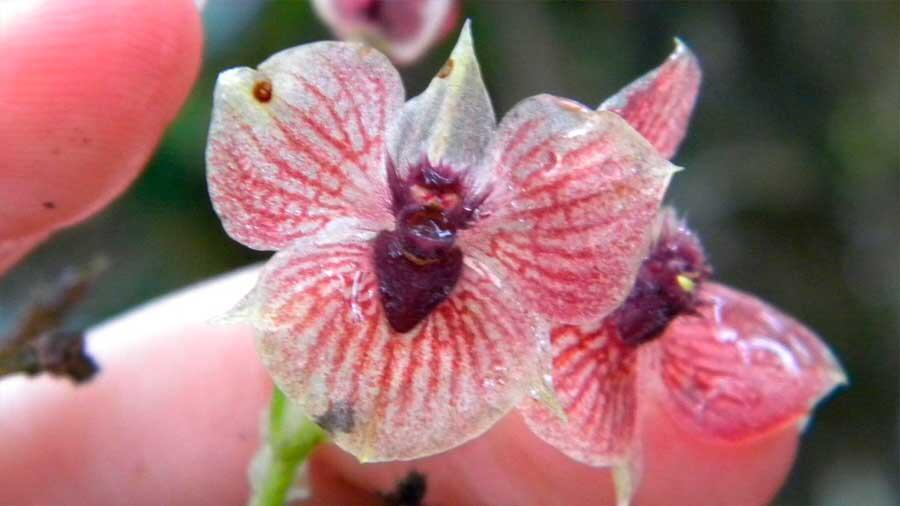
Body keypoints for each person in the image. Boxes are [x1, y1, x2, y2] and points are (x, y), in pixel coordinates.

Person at [0, 1, 800, 504]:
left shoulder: (594, 205)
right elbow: (263, 105)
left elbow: (612, 193)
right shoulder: (322, 133)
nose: (429, 229)